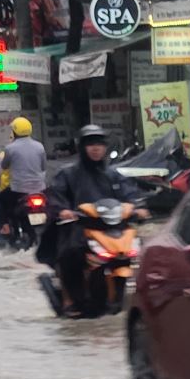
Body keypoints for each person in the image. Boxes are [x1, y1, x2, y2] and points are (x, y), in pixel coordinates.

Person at [42, 124, 141, 314]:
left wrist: (139, 207)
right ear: (82, 147)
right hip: (78, 229)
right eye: (90, 144)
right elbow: (55, 196)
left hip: (111, 229)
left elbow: (130, 195)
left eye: (99, 144)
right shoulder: (68, 174)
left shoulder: (112, 175)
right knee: (70, 255)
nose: (95, 148)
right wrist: (64, 211)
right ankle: (69, 299)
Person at [0, 116, 47, 245]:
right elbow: (43, 167)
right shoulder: (40, 146)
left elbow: (4, 166)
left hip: (18, 189)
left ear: (15, 131)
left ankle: (5, 228)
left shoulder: (10, 148)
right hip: (39, 190)